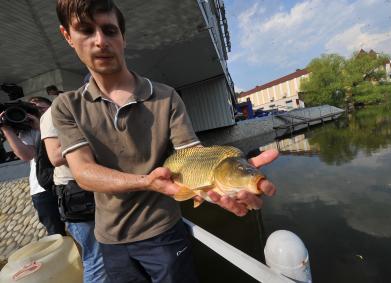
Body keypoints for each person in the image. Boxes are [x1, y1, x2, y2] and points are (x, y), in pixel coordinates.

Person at [52, 0, 278, 282]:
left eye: (109, 30)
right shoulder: (66, 106)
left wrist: (221, 180)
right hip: (109, 239)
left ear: (122, 36)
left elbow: (191, 154)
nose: (100, 41)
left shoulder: (166, 95)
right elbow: (83, 172)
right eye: (85, 30)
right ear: (67, 36)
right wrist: (146, 181)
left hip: (164, 233)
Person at [40, 107, 108, 283]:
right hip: (76, 194)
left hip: (99, 189)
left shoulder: (90, 108)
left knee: (109, 253)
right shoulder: (53, 113)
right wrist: (95, 137)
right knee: (96, 258)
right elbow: (55, 156)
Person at [0, 96, 66, 236]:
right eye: (32, 109)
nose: (36, 112)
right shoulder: (28, 131)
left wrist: (41, 127)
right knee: (57, 235)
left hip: (68, 183)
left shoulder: (63, 121)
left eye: (41, 108)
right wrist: (6, 129)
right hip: (42, 189)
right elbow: (27, 155)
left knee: (84, 228)